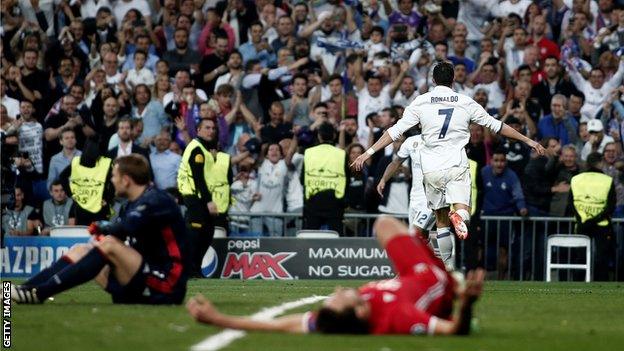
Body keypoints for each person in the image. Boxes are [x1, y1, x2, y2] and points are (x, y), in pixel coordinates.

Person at [352, 61, 545, 268]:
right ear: (453, 80)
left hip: (431, 170)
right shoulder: (465, 102)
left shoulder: (421, 102)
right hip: (456, 165)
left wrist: (367, 152)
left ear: (433, 80)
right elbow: (498, 126)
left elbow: (394, 131)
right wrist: (529, 140)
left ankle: (444, 269)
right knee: (463, 213)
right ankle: (459, 215)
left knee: (441, 223)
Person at [188, 216, 485, 336]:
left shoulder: (336, 319)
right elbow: (454, 331)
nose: (338, 289)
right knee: (418, 231)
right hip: (431, 277)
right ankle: (455, 285)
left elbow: (281, 325)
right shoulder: (399, 317)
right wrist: (467, 305)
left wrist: (218, 319)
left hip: (406, 273)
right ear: (360, 309)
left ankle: (449, 277)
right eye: (339, 297)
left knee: (383, 224)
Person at [11, 154, 189, 304]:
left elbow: (126, 227)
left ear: (126, 180)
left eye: (114, 176)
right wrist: (102, 232)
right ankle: (26, 289)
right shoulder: (131, 204)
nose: (111, 180)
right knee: (82, 249)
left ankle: (41, 293)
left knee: (108, 243)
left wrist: (105, 228)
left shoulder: (157, 199)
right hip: (142, 277)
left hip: (167, 282)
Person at [177, 118, 220, 276]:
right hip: (195, 196)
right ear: (198, 130)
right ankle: (189, 269)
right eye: (207, 128)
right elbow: (198, 177)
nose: (211, 131)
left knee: (207, 233)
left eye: (213, 128)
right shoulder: (197, 149)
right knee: (195, 235)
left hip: (199, 196)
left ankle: (195, 268)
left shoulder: (204, 149)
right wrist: (209, 201)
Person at [377, 133, 434, 239]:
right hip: (414, 198)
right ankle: (426, 255)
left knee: (415, 232)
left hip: (432, 198)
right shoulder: (411, 141)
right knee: (422, 236)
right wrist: (383, 179)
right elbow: (395, 162)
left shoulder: (440, 141)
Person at [570, 152, 616, 281]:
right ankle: (600, 285)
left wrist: (583, 219)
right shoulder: (607, 180)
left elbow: (570, 203)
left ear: (587, 163)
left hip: (581, 223)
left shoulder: (576, 179)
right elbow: (611, 206)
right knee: (601, 257)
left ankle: (577, 285)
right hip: (601, 224)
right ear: (601, 163)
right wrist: (595, 219)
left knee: (580, 257)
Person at [301, 123, 349, 233]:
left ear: (319, 135)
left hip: (312, 204)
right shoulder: (341, 154)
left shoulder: (308, 152)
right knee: (336, 243)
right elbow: (347, 179)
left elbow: (302, 179)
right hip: (335, 204)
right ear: (333, 135)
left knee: (310, 240)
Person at [58, 137, 114, 225]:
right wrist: (108, 198)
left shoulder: (77, 161)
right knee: (98, 236)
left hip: (87, 206)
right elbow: (114, 182)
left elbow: (62, 176)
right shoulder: (106, 163)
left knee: (86, 235)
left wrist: (71, 194)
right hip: (91, 206)